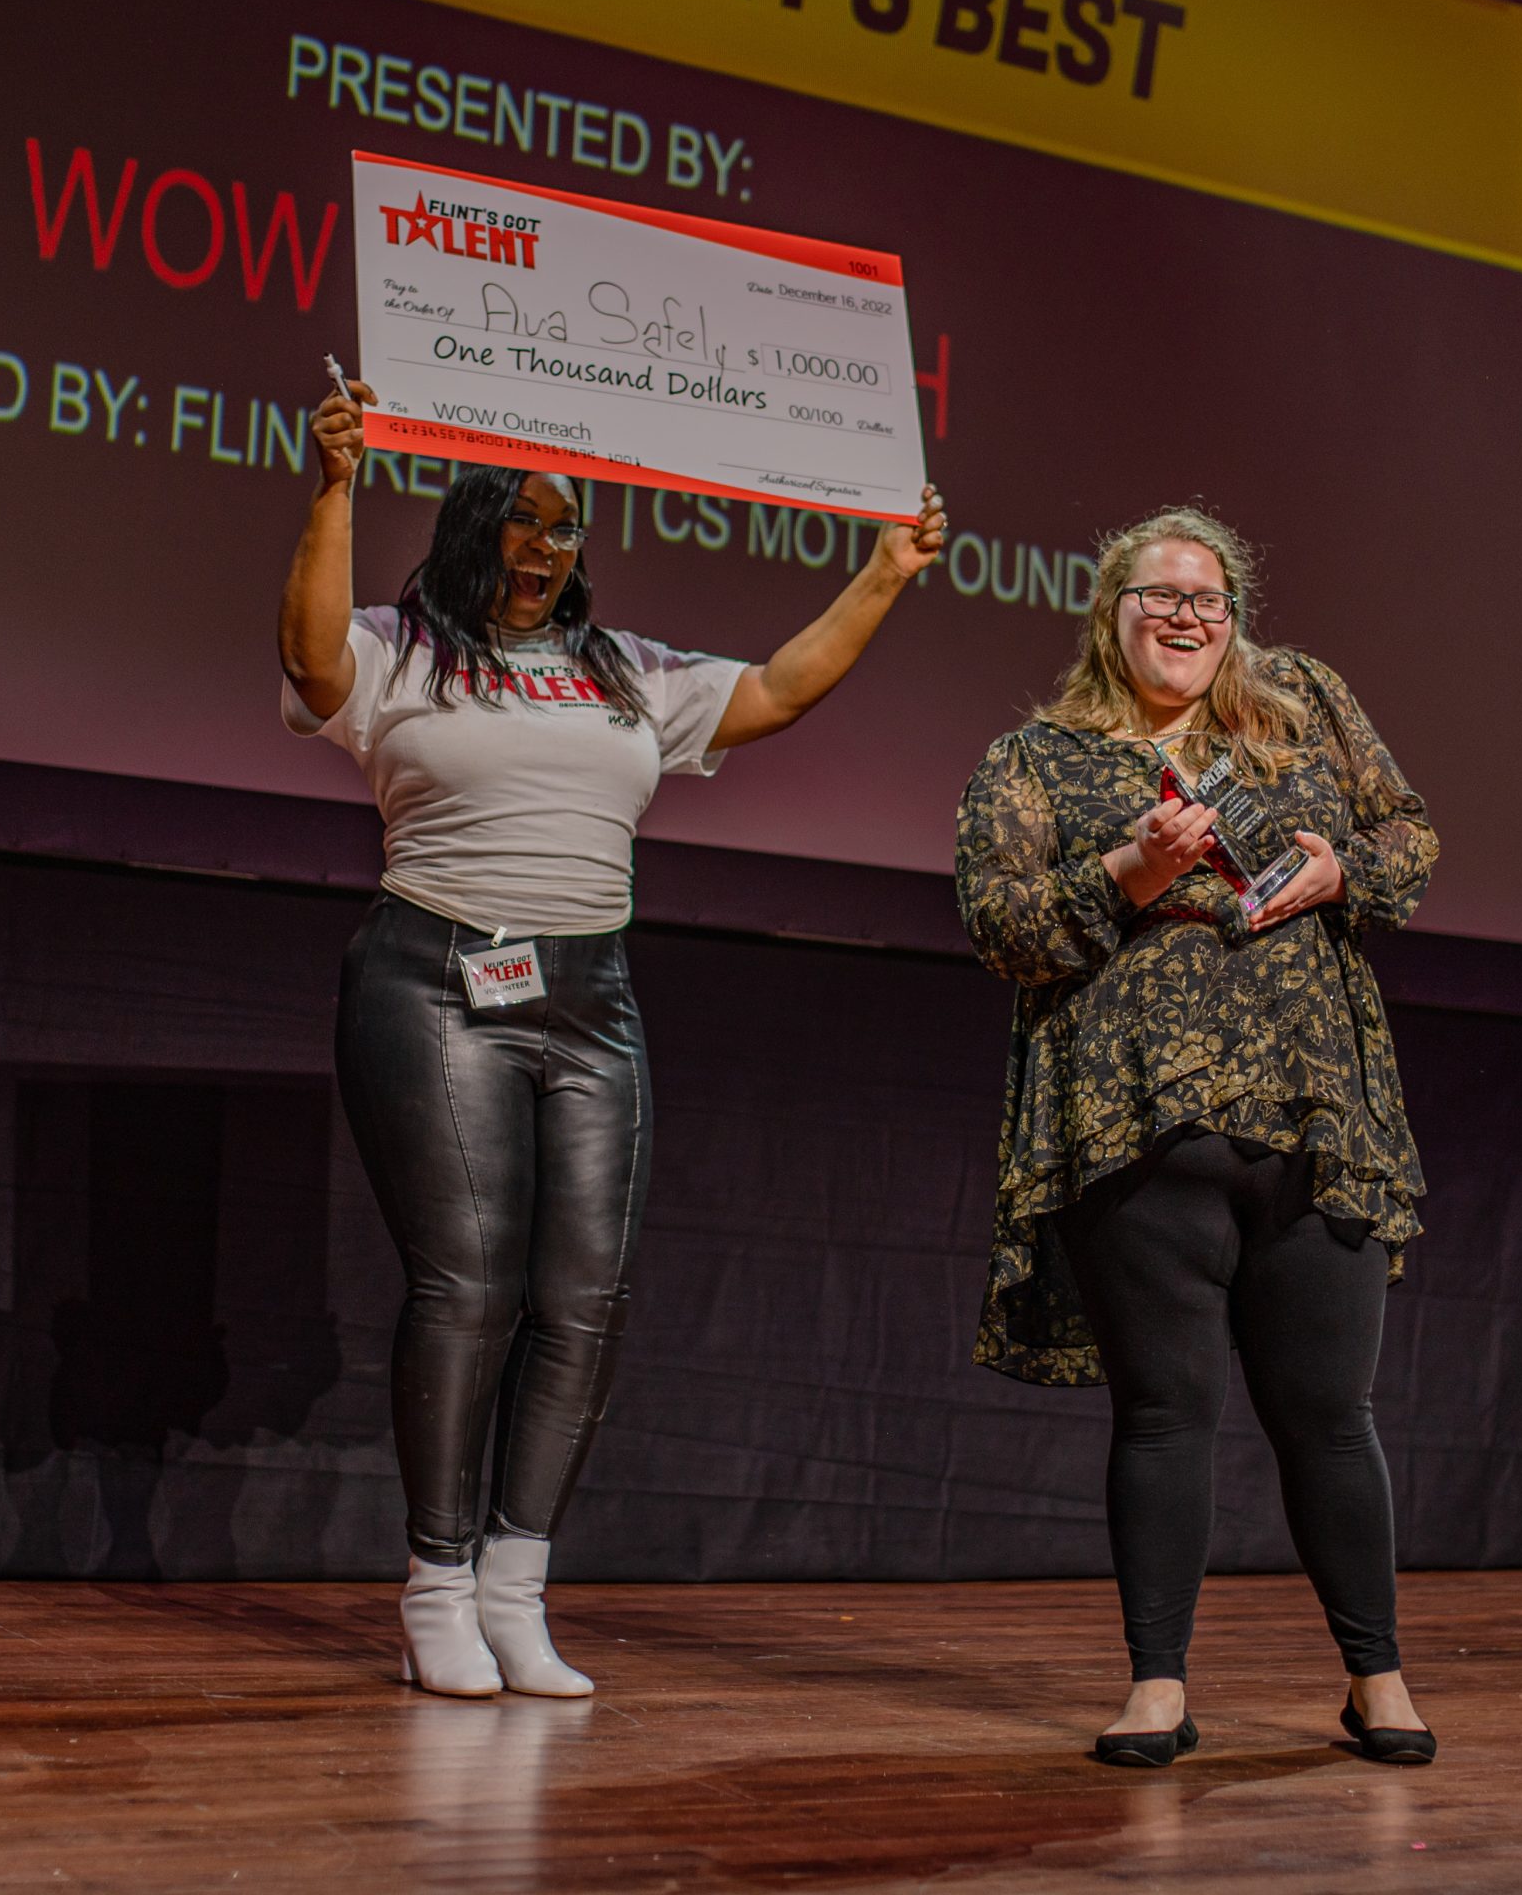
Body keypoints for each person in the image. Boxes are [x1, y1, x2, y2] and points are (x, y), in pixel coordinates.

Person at [280, 380, 946, 1697]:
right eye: (523, 523)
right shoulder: (402, 650)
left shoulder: (622, 668)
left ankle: (516, 1589)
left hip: (590, 1000)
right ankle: (436, 1589)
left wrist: (885, 572)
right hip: (438, 977)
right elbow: (311, 665)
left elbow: (776, 691)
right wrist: (336, 487)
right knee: (468, 1288)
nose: (545, 548)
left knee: (584, 1299)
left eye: (566, 528)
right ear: (474, 526)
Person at [954, 506, 1441, 1766]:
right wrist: (1125, 868)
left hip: (1311, 1110)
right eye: (1159, 595)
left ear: (1235, 617)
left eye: (1207, 598)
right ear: (1108, 612)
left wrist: (1343, 872)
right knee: (1165, 1411)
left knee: (1329, 1413)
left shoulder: (1302, 705)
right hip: (1133, 1127)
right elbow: (1000, 925)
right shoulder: (1038, 756)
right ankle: (1157, 1685)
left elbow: (1408, 831)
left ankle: (1378, 1678)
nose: (1185, 615)